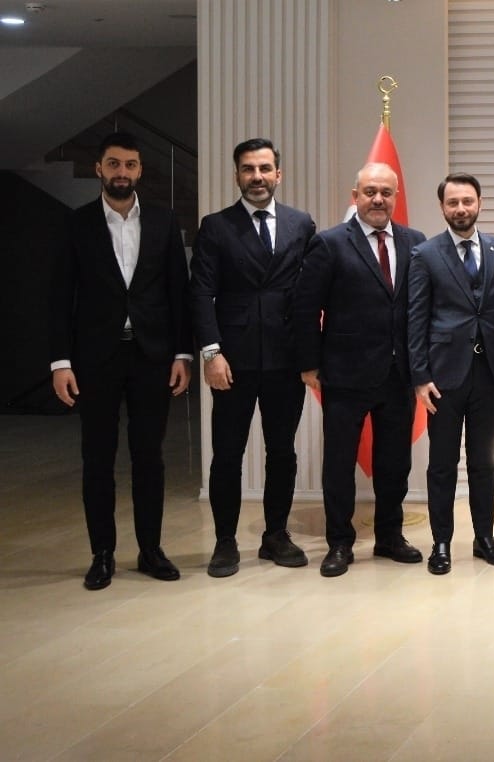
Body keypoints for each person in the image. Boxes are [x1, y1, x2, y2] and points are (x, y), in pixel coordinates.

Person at [51, 131, 192, 590]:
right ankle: (103, 554)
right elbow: (59, 296)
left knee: (149, 457)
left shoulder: (164, 221)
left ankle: (150, 550)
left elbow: (178, 292)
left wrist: (182, 353)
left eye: (130, 165)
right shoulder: (77, 223)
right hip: (95, 358)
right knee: (98, 458)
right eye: (114, 164)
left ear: (140, 170)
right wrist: (60, 362)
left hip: (152, 356)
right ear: (99, 169)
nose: (122, 173)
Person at [190, 137, 317, 578]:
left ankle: (275, 535)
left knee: (282, 452)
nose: (257, 177)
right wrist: (211, 352)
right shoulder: (215, 226)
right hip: (233, 361)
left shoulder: (301, 224)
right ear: (237, 175)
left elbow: (311, 293)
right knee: (227, 454)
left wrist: (312, 356)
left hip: (286, 359)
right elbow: (201, 293)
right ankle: (225, 542)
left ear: (278, 174)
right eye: (248, 169)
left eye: (264, 169)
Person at [292, 162, 427, 577]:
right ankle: (339, 543)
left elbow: (420, 308)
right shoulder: (329, 243)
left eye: (386, 192)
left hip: (398, 375)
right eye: (370, 192)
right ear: (355, 196)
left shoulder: (415, 242)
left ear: (396, 197)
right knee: (339, 464)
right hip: (344, 375)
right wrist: (309, 364)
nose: (378, 200)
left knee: (394, 464)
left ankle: (389, 536)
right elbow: (304, 308)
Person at [408, 173, 494, 575]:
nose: (460, 209)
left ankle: (484, 537)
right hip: (443, 376)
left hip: (490, 372)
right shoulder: (425, 254)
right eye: (452, 202)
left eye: (467, 201)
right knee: (442, 463)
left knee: (484, 461)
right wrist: (420, 376)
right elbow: (416, 317)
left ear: (479, 203)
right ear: (442, 207)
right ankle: (441, 542)